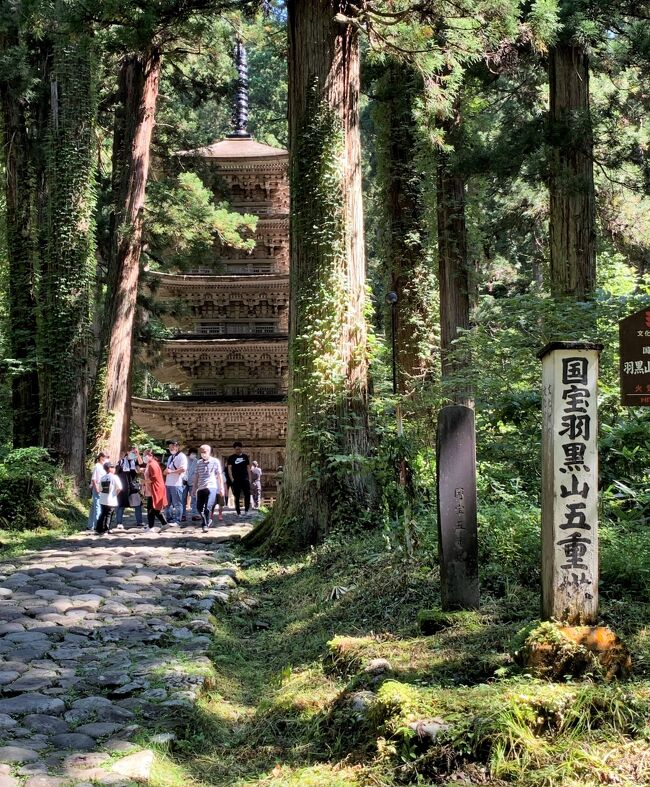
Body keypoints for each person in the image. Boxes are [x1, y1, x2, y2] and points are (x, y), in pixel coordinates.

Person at [193, 445, 225, 533]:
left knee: (208, 507)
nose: (203, 454)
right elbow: (196, 475)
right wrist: (194, 487)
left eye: (204, 452)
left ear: (209, 452)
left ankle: (205, 524)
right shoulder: (199, 462)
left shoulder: (215, 461)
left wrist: (221, 487)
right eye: (201, 452)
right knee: (199, 507)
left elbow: (219, 475)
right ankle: (206, 521)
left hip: (211, 486)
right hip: (201, 487)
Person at [115, 447, 144, 529]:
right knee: (121, 505)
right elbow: (116, 473)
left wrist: (137, 454)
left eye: (135, 452)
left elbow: (141, 464)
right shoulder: (121, 462)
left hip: (132, 486)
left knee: (137, 504)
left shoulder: (134, 462)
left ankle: (139, 522)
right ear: (128, 452)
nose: (133, 454)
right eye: (132, 452)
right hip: (123, 487)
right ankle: (119, 523)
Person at [143, 449, 168, 530]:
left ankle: (151, 527)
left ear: (151, 455)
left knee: (151, 509)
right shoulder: (150, 463)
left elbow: (154, 478)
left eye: (145, 455)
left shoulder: (152, 464)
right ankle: (164, 523)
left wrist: (143, 481)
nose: (144, 457)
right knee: (155, 509)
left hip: (155, 489)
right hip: (152, 489)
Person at [164, 440, 187, 525]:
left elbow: (183, 469)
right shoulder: (170, 457)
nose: (171, 449)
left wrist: (171, 472)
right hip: (168, 483)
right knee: (168, 503)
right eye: (169, 447)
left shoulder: (182, 456)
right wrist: (166, 472)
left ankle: (178, 520)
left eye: (173, 447)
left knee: (177, 503)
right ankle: (169, 519)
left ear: (177, 447)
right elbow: (168, 469)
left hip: (177, 483)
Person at [95, 462, 122, 535]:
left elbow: (100, 489)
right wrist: (115, 494)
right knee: (109, 515)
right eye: (113, 467)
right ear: (109, 469)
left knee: (103, 514)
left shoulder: (103, 477)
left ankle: (99, 529)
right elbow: (119, 488)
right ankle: (106, 529)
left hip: (103, 499)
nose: (114, 469)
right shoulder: (115, 477)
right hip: (111, 499)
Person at [227, 441, 251, 517]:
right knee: (236, 496)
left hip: (245, 478)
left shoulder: (245, 457)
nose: (238, 450)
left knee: (247, 494)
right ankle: (238, 512)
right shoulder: (231, 457)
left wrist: (249, 478)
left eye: (239, 449)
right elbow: (229, 468)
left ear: (241, 449)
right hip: (236, 479)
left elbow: (248, 467)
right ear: (234, 449)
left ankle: (246, 510)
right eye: (236, 449)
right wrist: (232, 479)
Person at [87, 451, 109, 530]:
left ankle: (90, 525)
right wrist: (97, 489)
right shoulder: (97, 466)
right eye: (105, 457)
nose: (106, 459)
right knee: (97, 507)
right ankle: (97, 525)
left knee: (94, 507)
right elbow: (94, 479)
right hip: (98, 488)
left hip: (103, 488)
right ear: (101, 457)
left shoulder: (104, 467)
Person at [182, 448, 199, 522]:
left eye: (195, 454)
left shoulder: (197, 461)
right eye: (192, 453)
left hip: (193, 482)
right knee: (183, 499)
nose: (193, 455)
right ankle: (183, 515)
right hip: (184, 482)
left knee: (194, 498)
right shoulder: (184, 460)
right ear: (189, 453)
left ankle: (195, 514)